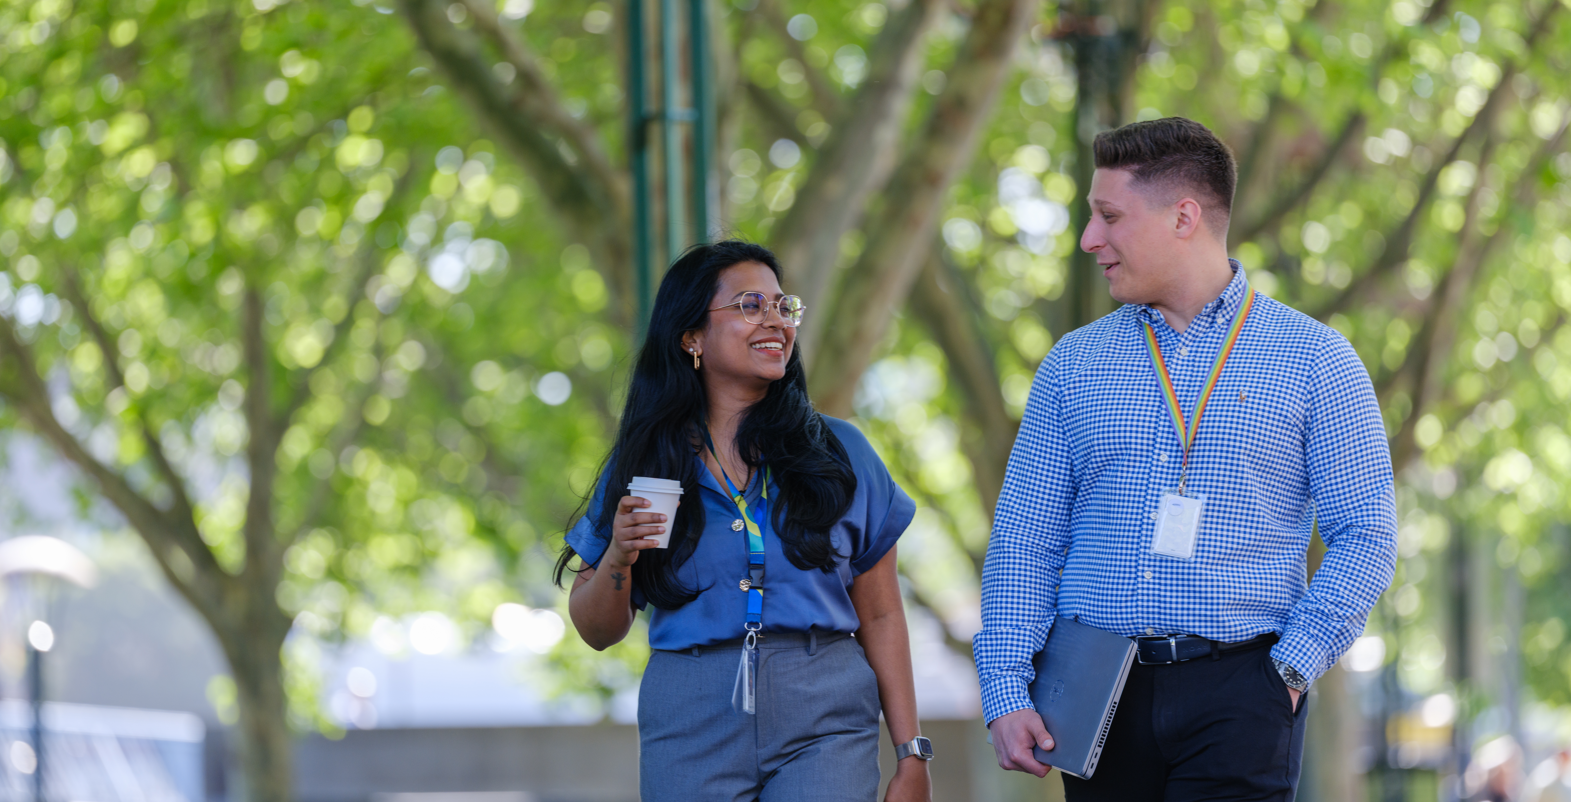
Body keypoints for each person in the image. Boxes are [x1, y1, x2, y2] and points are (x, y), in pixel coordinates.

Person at [975, 117, 1397, 801]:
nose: (1089, 240)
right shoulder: (1071, 367)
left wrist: (1290, 671)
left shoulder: (1317, 361)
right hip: (1093, 699)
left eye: (1108, 216)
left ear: (1184, 217)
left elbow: (1367, 537)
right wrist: (1003, 686)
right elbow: (1025, 538)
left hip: (1244, 694)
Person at [557, 240, 931, 802]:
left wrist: (911, 754)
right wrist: (619, 556)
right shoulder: (643, 465)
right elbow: (598, 631)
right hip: (688, 712)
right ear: (691, 337)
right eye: (751, 305)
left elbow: (879, 614)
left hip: (824, 706)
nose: (775, 321)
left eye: (784, 307)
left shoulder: (841, 452)